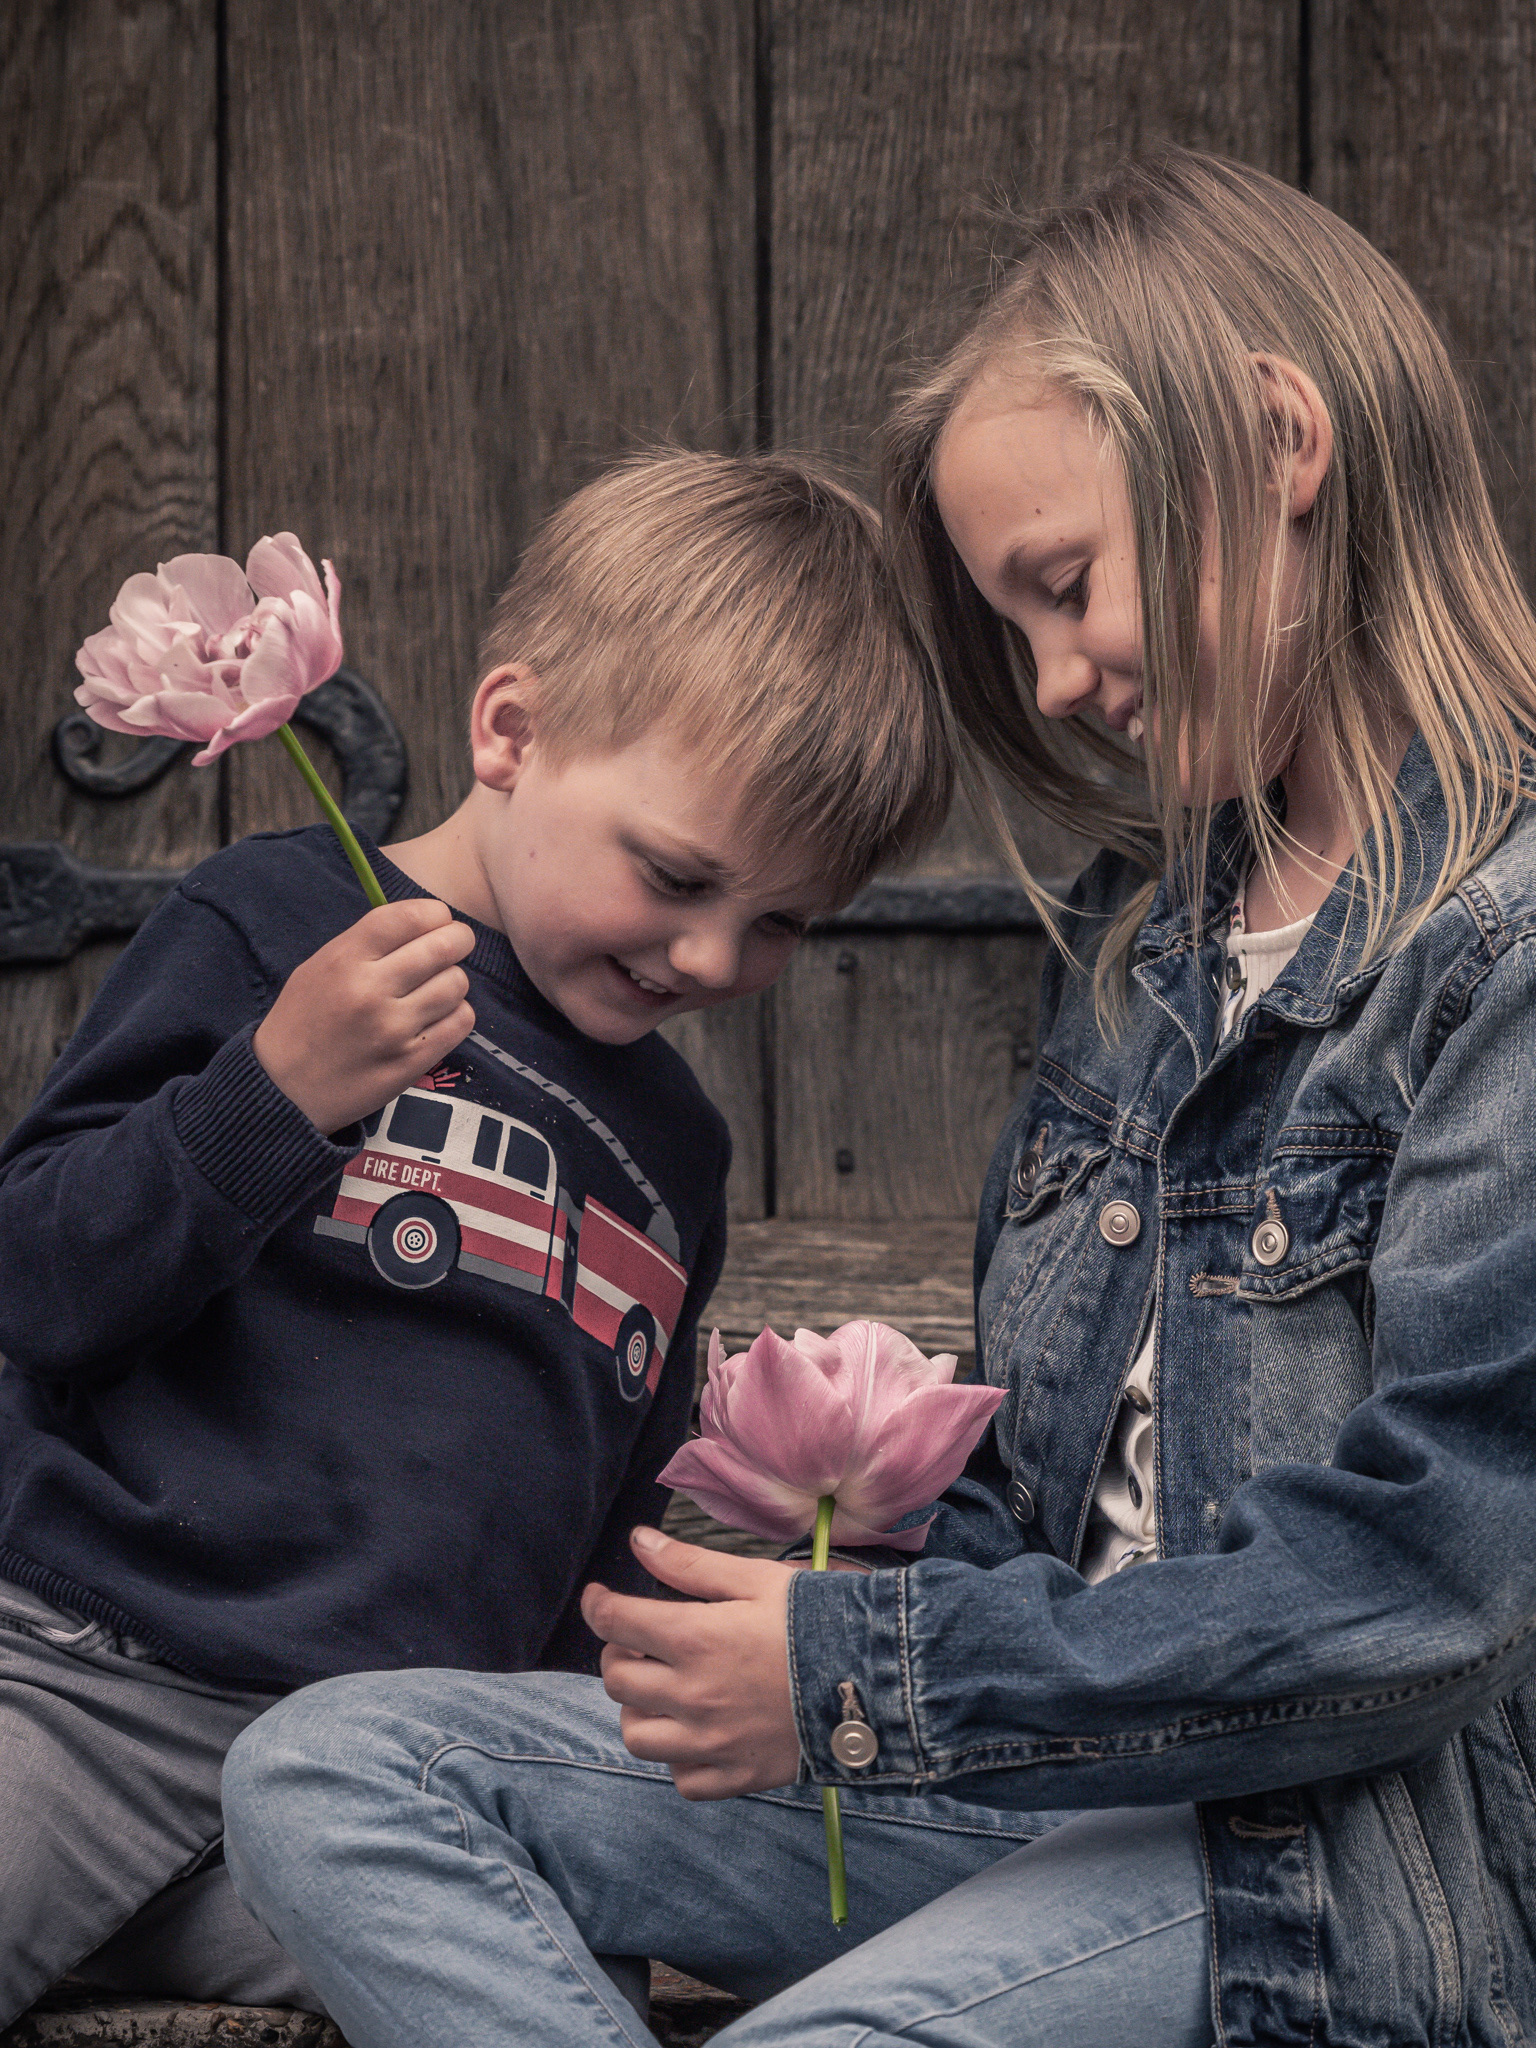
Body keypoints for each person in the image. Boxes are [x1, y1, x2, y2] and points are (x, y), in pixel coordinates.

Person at [221, 149, 1536, 2047]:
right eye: (1015, 627)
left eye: (1065, 588)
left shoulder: (1500, 952)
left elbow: (1438, 1589)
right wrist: (841, 1633)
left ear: (1276, 441)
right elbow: (1034, 1479)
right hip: (1017, 1784)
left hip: (1337, 1866)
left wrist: (861, 1667)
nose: (1056, 681)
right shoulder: (1141, 947)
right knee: (335, 1774)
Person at [0, 450, 952, 2027]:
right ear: (509, 731)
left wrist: (575, 1733)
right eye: (679, 876)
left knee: (568, 1979)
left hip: (379, 1774)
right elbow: (39, 1282)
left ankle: (136, 1921)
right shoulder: (278, 927)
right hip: (89, 1679)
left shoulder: (676, 1153)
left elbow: (605, 1509)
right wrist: (271, 1096)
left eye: (783, 923)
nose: (714, 956)